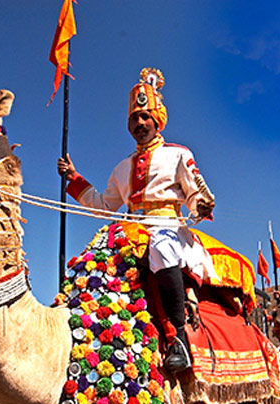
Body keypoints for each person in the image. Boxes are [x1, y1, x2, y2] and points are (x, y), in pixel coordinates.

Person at [57, 67, 216, 374]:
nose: (140, 123)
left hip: (168, 227)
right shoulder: (120, 168)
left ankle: (177, 339)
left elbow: (195, 191)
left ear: (158, 121)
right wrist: (74, 179)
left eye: (146, 117)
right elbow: (104, 206)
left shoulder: (179, 155)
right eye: (134, 118)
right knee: (92, 260)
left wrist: (201, 203)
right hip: (130, 230)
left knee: (161, 249)